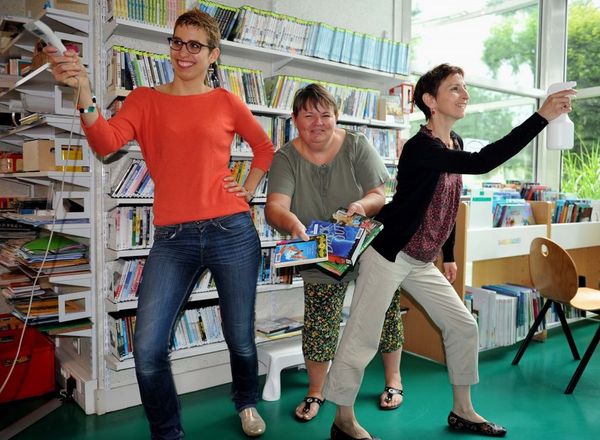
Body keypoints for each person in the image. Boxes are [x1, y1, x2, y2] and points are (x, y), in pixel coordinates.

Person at [44, 9, 274, 440]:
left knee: (239, 337)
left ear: (213, 55)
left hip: (232, 231)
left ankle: (246, 402)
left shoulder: (225, 100)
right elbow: (106, 144)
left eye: (194, 45)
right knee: (148, 348)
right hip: (174, 238)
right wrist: (85, 92)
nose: (182, 52)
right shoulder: (145, 99)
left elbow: (264, 147)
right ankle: (167, 433)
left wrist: (248, 186)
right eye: (176, 42)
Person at [322, 63, 576, 440]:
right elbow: (483, 161)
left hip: (422, 259)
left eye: (464, 88)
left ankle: (463, 410)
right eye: (455, 88)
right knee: (363, 336)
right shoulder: (421, 147)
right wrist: (541, 117)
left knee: (462, 325)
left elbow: (449, 205)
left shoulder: (452, 143)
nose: (465, 94)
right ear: (430, 100)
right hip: (389, 254)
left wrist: (451, 255)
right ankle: (343, 420)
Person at [265, 83, 406, 422]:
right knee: (319, 323)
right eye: (308, 115)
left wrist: (361, 205)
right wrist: (293, 223)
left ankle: (394, 380)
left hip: (367, 246)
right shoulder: (285, 157)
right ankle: (316, 389)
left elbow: (378, 194)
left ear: (336, 117)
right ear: (295, 119)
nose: (318, 122)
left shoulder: (356, 145)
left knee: (386, 312)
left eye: (325, 114)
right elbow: (275, 207)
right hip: (318, 251)